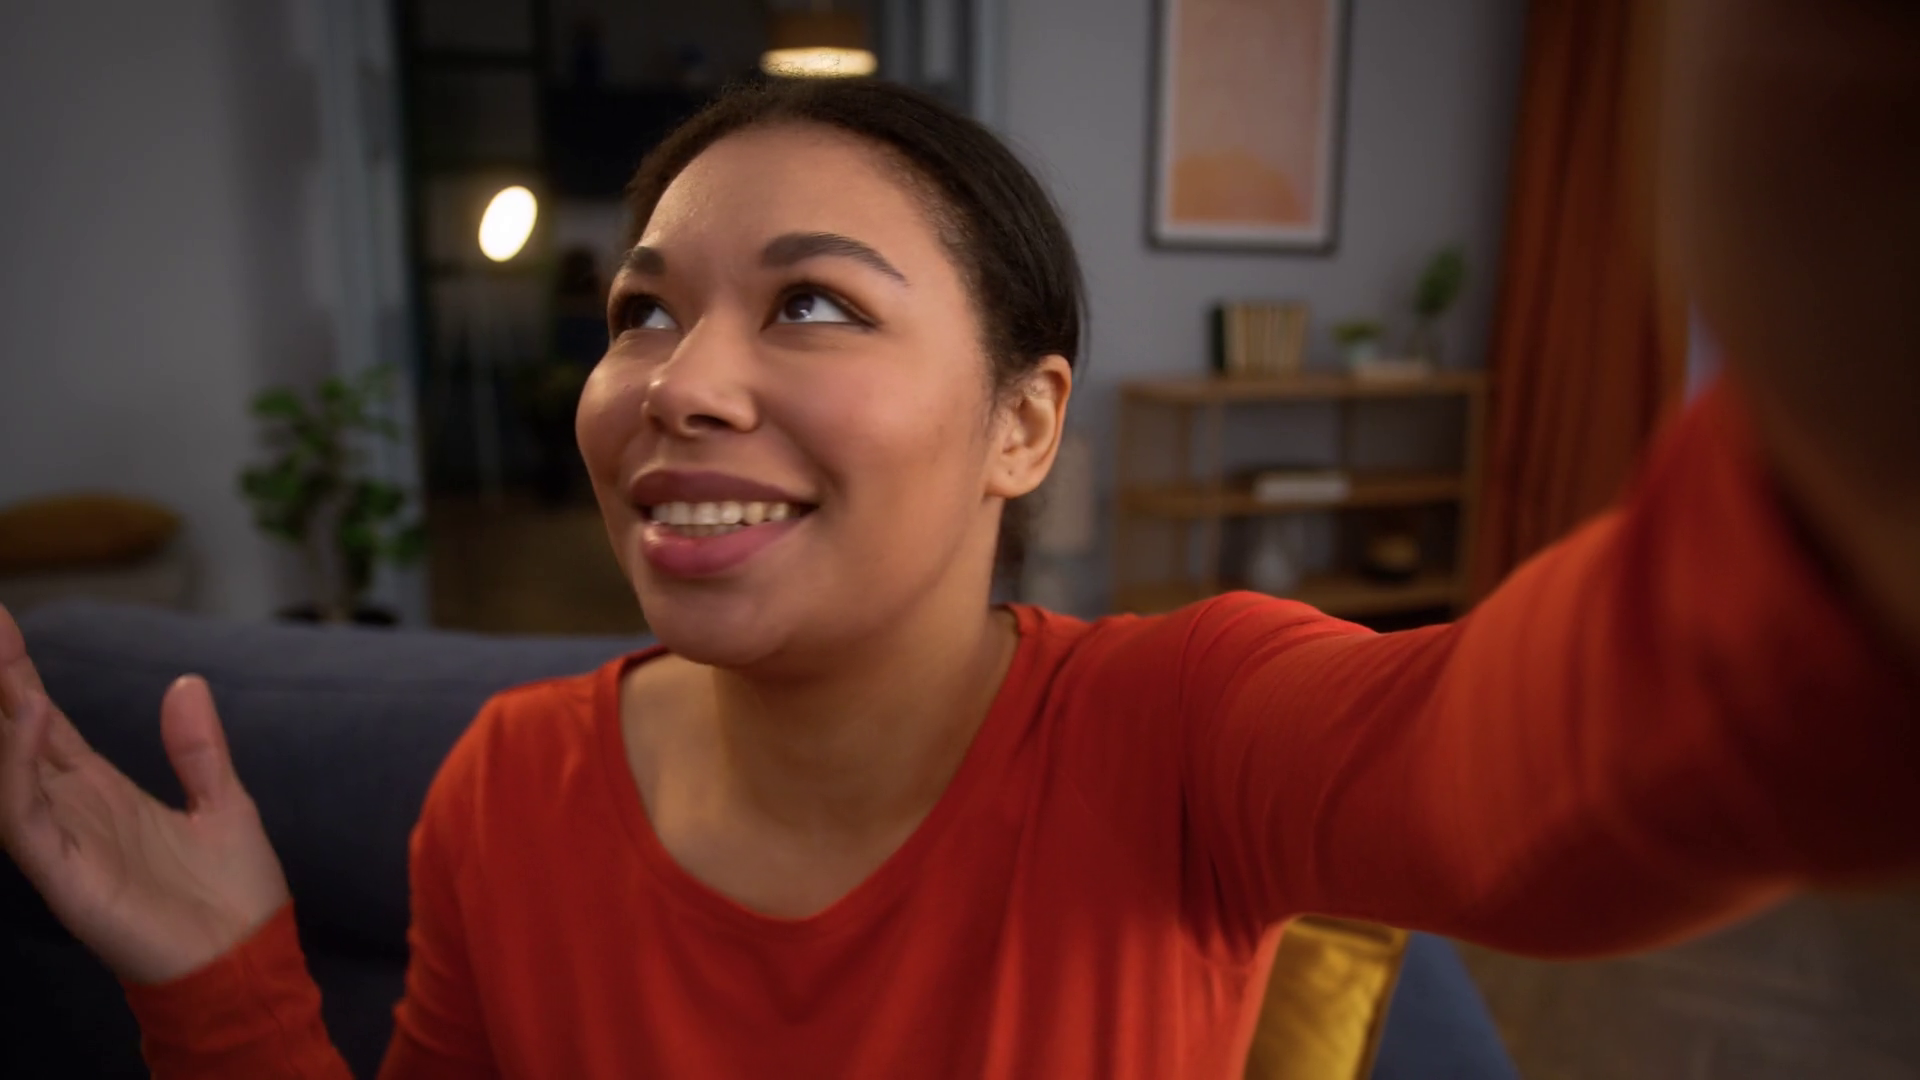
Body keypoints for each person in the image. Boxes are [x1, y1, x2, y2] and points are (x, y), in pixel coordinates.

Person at [2, 2, 1916, 1076]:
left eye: (812, 303)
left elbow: (1547, 771)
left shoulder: (1188, 727)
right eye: (641, 311)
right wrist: (228, 984)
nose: (676, 381)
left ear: (1025, 423)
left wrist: (1847, 489)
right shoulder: (508, 788)